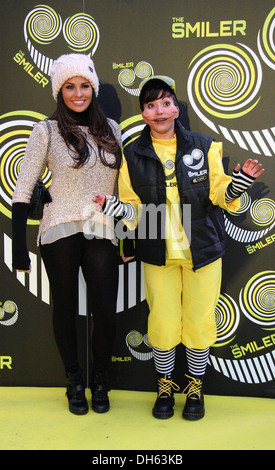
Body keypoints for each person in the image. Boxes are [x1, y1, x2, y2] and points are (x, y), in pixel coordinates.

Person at [94, 75, 264, 421]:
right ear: (143, 113)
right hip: (158, 251)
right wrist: (116, 209)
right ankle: (165, 386)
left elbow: (220, 196)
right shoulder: (132, 153)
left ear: (176, 108)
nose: (159, 111)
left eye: (166, 102)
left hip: (202, 250)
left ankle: (195, 388)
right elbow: (134, 210)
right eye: (150, 105)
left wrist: (240, 184)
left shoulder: (204, 146)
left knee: (200, 322)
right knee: (163, 322)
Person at [11, 53, 134, 415]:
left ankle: (100, 379)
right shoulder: (44, 130)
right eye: (69, 86)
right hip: (59, 227)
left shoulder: (112, 128)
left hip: (101, 227)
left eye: (84, 85)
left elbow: (123, 189)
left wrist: (127, 235)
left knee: (105, 313)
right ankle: (73, 380)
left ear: (93, 89)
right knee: (64, 308)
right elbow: (23, 190)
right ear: (59, 91)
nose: (77, 93)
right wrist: (20, 248)